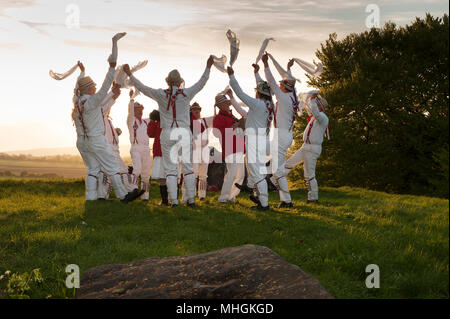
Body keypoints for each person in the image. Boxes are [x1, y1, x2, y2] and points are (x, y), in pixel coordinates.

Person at [123, 55, 214, 207]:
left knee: (170, 169)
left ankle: (173, 201)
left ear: (167, 81)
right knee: (188, 168)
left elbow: (143, 88)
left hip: (167, 133)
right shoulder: (186, 93)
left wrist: (130, 74)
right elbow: (202, 83)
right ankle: (191, 200)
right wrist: (208, 66)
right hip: (184, 132)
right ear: (179, 82)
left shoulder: (161, 94)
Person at [71, 33, 143, 203]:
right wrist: (112, 67)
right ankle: (123, 195)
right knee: (111, 166)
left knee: (93, 169)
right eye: (93, 86)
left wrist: (82, 75)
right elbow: (104, 89)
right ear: (89, 89)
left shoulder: (77, 104)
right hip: (96, 141)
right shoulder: (92, 102)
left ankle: (91, 197)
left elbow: (95, 94)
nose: (95, 88)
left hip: (82, 142)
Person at [227, 66, 274, 210]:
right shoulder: (269, 104)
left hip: (255, 141)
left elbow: (241, 93)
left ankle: (264, 203)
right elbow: (262, 85)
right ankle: (259, 197)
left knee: (257, 173)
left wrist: (232, 76)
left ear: (258, 93)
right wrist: (256, 73)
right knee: (257, 171)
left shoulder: (257, 104)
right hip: (264, 139)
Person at [260, 53, 298, 208]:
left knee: (278, 170)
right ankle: (284, 200)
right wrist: (288, 69)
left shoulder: (283, 97)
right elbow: (286, 83)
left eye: (282, 85)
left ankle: (287, 201)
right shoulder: (292, 97)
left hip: (281, 135)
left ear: (285, 88)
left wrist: (266, 65)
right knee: (277, 168)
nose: (280, 86)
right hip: (286, 135)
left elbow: (271, 83)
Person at [284, 91, 329, 203]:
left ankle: (313, 198)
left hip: (313, 148)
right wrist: (310, 100)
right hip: (305, 147)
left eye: (317, 104)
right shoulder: (315, 117)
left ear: (320, 106)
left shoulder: (323, 117)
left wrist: (312, 100)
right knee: (289, 163)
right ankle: (274, 181)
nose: (315, 106)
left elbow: (314, 111)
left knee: (309, 174)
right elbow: (311, 109)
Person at [97, 82, 134, 199]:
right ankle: (104, 195)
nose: (109, 110)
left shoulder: (108, 120)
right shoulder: (99, 117)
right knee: (107, 172)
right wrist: (114, 92)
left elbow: (109, 105)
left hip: (114, 150)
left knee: (118, 170)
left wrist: (116, 132)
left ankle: (128, 191)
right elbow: (106, 104)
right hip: (107, 150)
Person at [212, 93, 245, 203]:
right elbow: (217, 133)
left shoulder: (232, 116)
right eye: (224, 103)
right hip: (230, 148)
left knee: (241, 175)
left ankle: (232, 196)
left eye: (227, 102)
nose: (227, 104)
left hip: (239, 147)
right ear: (219, 106)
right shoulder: (218, 118)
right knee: (232, 174)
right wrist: (232, 127)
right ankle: (223, 198)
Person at [127, 89, 151, 201]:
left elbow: (158, 115)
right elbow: (130, 112)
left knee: (146, 173)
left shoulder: (146, 121)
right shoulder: (131, 120)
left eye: (141, 109)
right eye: (137, 109)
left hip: (146, 148)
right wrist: (131, 99)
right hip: (136, 147)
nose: (140, 111)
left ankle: (145, 196)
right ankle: (133, 190)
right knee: (137, 169)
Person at [188, 102, 209, 201]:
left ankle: (202, 195)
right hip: (195, 150)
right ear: (191, 111)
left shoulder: (204, 121)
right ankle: (191, 194)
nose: (196, 111)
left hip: (204, 149)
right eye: (194, 109)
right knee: (193, 174)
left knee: (203, 175)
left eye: (198, 109)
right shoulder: (189, 122)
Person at [147, 109, 169, 206]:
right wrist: (152, 120)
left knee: (172, 176)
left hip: (171, 151)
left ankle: (173, 200)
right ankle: (165, 201)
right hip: (160, 151)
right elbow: (151, 134)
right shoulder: (157, 119)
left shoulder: (171, 116)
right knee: (162, 177)